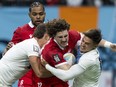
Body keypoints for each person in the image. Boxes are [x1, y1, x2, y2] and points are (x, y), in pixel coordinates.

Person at [32, 18, 116, 87]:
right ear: (53, 36)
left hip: (60, 78)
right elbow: (67, 72)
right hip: (46, 80)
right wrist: (75, 62)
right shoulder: (51, 51)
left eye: (65, 36)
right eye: (60, 37)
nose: (64, 39)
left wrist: (109, 45)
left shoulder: (72, 35)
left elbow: (91, 39)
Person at [2, 1, 46, 87]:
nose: (38, 17)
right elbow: (7, 53)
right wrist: (6, 50)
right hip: (27, 75)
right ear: (29, 15)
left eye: (41, 14)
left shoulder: (50, 30)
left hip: (44, 73)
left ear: (44, 14)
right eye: (34, 14)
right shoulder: (21, 31)